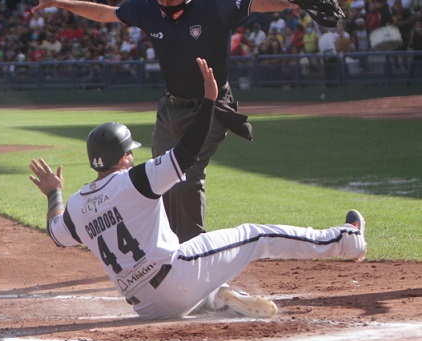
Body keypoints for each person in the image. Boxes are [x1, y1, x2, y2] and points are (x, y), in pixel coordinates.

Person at [28, 57, 367, 321]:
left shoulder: (76, 206)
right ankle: (347, 240)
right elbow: (186, 153)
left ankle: (218, 298)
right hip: (176, 276)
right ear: (125, 157)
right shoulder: (134, 180)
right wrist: (209, 102)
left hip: (146, 305)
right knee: (256, 235)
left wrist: (53, 193)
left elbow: (56, 233)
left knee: (194, 267)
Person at [29, 0, 303, 243]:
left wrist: (291, 1)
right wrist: (57, 2)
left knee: (186, 175)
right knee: (158, 176)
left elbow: (257, 4)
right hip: (170, 106)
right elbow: (105, 13)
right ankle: (165, 243)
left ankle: (194, 247)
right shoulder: (148, 9)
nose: (166, 4)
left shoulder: (212, 1)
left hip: (211, 104)